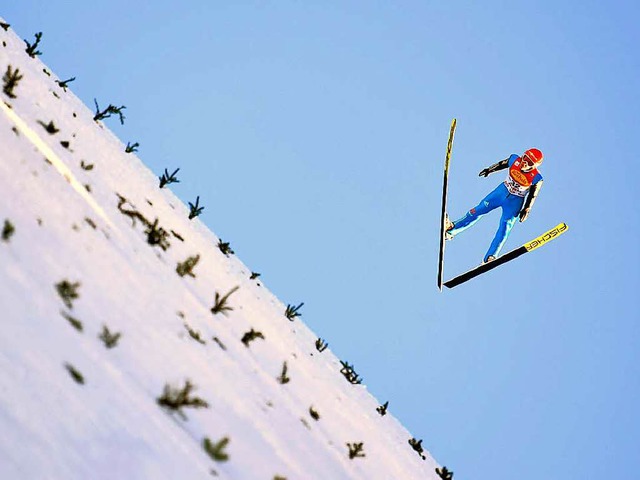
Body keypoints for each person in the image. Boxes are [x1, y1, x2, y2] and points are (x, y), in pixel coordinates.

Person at [445, 148, 544, 263]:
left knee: (505, 227)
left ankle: (490, 256)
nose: (525, 163)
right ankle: (451, 229)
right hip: (501, 192)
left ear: (534, 166)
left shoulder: (536, 177)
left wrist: (527, 208)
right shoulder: (514, 160)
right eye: (525, 158)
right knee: (478, 210)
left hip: (515, 201)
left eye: (529, 162)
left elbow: (532, 195)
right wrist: (489, 170)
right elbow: (502, 164)